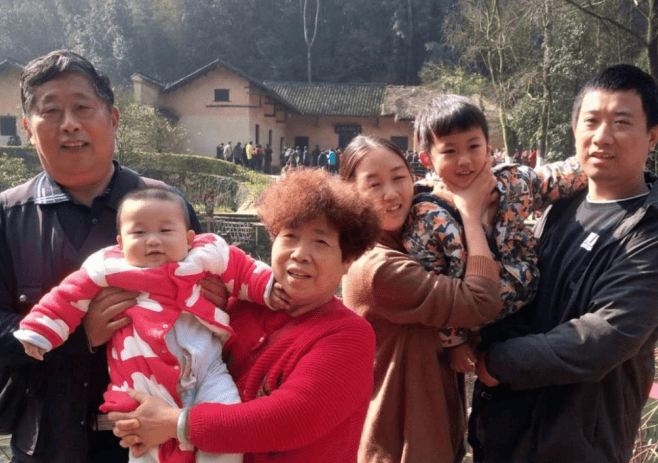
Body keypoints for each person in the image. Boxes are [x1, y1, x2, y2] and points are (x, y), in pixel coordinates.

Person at [0, 50, 213, 463]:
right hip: (48, 444)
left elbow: (215, 300)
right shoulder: (8, 217)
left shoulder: (166, 206)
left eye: (83, 107)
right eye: (51, 111)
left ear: (113, 119)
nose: (69, 124)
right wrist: (78, 336)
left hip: (157, 444)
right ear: (27, 128)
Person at [109, 168, 381, 463]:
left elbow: (288, 419)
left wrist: (173, 423)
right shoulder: (237, 305)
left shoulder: (349, 335)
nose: (300, 253)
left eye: (321, 242)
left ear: (347, 260)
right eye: (290, 237)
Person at [14, 187, 289, 463]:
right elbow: (66, 297)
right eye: (139, 233)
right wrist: (39, 330)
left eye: (166, 231)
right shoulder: (107, 267)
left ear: (189, 238)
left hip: (207, 370)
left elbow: (242, 269)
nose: (153, 240)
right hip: (142, 381)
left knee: (224, 430)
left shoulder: (205, 255)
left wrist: (268, 287)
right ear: (121, 243)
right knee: (145, 445)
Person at [469, 64, 658, 463]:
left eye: (622, 122)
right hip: (507, 431)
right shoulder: (560, 208)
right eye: (591, 121)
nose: (602, 136)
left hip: (579, 444)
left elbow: (604, 338)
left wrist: (499, 361)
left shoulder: (649, 230)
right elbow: (523, 291)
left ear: (652, 137)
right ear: (575, 130)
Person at [339, 135, 502, 463]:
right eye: (373, 184)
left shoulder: (410, 243)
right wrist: (471, 215)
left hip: (427, 436)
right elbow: (481, 301)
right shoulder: (378, 268)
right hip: (402, 447)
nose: (390, 193)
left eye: (399, 177)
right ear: (350, 193)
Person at [404, 94, 587, 372]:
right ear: (427, 158)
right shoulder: (427, 217)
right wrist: (454, 343)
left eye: (474, 146)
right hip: (479, 329)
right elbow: (435, 289)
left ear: (488, 147)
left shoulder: (512, 183)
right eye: (450, 151)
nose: (465, 160)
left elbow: (555, 178)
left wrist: (595, 162)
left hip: (533, 310)